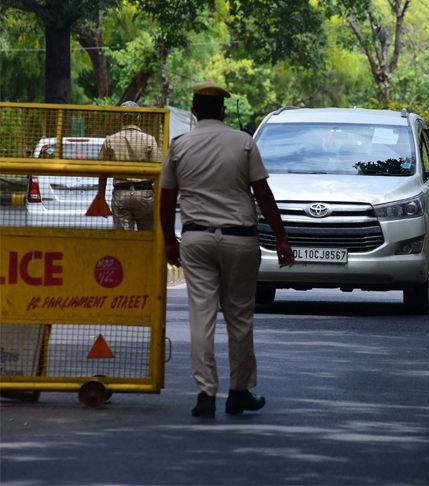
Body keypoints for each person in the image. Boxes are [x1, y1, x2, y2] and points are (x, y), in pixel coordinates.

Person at [159, 82, 295, 419]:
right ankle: (238, 392)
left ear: (193, 111)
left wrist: (168, 241)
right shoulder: (243, 142)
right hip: (240, 240)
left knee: (201, 317)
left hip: (196, 240)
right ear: (222, 111)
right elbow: (262, 194)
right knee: (239, 316)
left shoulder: (179, 145)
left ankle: (205, 395)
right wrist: (281, 237)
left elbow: (166, 198)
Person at [96, 101, 162, 230]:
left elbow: (101, 172)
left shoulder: (111, 140)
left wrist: (101, 198)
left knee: (124, 239)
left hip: (121, 194)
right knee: (147, 237)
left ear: (122, 118)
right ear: (139, 117)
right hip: (145, 194)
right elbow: (159, 171)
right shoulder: (149, 140)